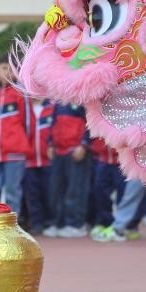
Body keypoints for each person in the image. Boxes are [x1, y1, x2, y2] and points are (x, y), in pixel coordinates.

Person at [0, 55, 31, 211]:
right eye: (4, 68)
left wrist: (20, 142)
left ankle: (11, 227)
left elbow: (27, 122)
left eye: (11, 69)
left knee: (12, 191)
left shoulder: (20, 93)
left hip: (14, 152)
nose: (8, 72)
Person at [47, 102, 91, 238]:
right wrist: (50, 144)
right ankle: (58, 222)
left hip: (75, 150)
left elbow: (91, 123)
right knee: (56, 189)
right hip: (59, 151)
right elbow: (53, 123)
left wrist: (84, 145)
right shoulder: (58, 102)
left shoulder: (83, 99)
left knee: (75, 189)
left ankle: (76, 224)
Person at [22, 97, 53, 235]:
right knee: (32, 194)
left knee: (49, 191)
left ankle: (50, 221)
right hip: (29, 160)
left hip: (49, 160)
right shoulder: (24, 106)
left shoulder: (52, 106)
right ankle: (36, 222)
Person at [88, 138, 126, 242]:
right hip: (103, 159)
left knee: (124, 193)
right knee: (99, 190)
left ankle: (126, 225)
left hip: (123, 160)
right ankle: (104, 222)